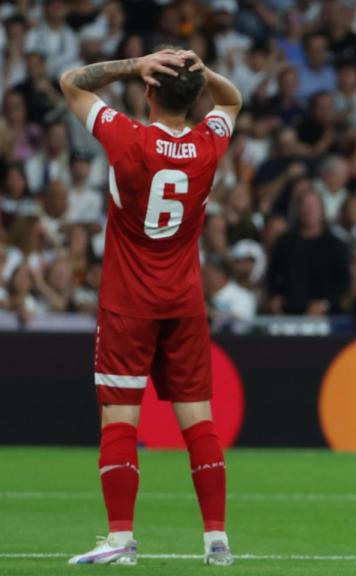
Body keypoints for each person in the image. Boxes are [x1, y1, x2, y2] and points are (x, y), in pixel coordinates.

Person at [59, 47, 241, 566]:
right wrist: (201, 72)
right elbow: (234, 101)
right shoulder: (209, 144)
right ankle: (216, 540)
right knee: (198, 422)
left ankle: (120, 540)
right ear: (195, 96)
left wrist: (134, 62)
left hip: (127, 303)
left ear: (147, 90)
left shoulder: (128, 137)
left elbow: (73, 81)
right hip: (184, 302)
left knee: (120, 420)